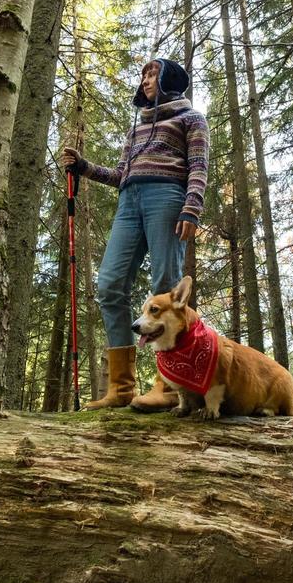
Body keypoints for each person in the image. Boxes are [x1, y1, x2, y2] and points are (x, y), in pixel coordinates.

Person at [59, 57, 208, 410]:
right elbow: (121, 174)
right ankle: (121, 388)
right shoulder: (138, 128)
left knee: (166, 286)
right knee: (109, 284)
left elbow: (199, 164)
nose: (145, 79)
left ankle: (169, 386)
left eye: (153, 73)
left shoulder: (191, 118)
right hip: (129, 202)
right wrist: (84, 167)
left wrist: (192, 206)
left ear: (170, 79)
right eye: (143, 74)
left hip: (168, 196)